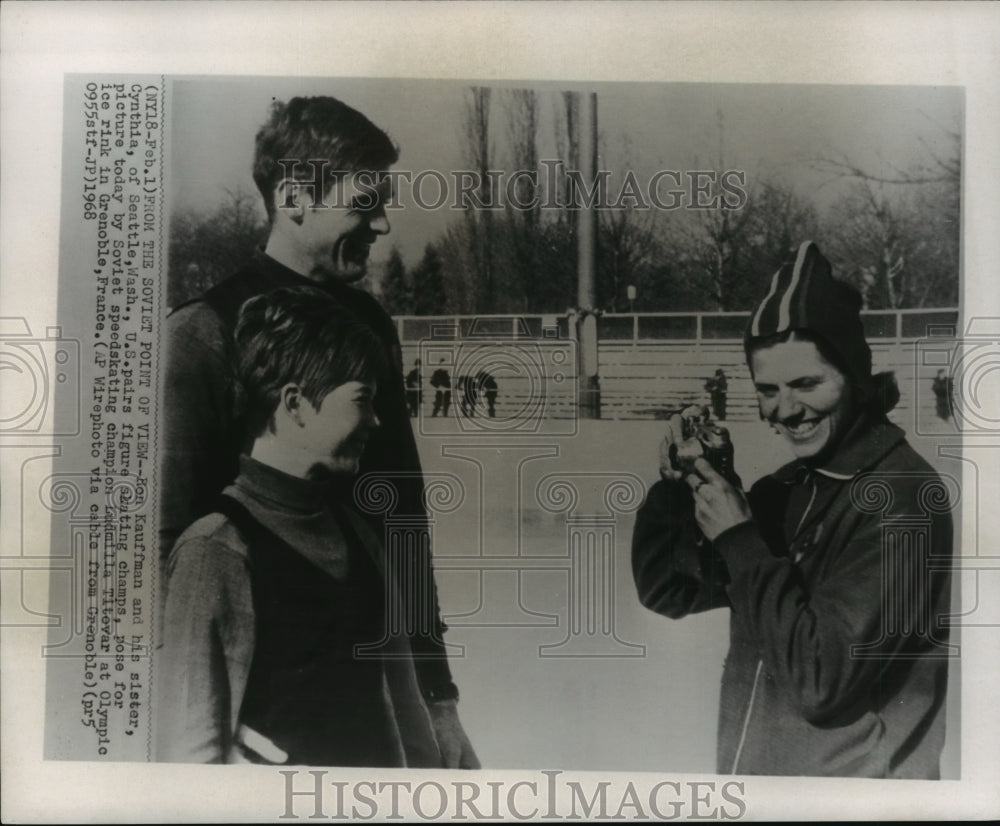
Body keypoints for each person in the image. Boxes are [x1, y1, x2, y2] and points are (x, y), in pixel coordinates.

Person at [159, 96, 478, 768]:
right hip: (270, 719)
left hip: (381, 689)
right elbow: (175, 552)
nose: (383, 222)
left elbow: (403, 519)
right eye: (364, 202)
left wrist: (438, 691)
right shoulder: (202, 334)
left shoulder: (369, 325)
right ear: (296, 196)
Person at [632, 241, 953, 778]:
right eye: (768, 389)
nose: (786, 410)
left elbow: (821, 680)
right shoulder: (786, 489)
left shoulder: (903, 496)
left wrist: (740, 538)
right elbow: (672, 590)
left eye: (807, 383)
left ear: (852, 375)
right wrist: (685, 485)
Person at [157, 288, 440, 766]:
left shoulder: (359, 535)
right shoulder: (215, 551)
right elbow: (190, 756)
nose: (375, 420)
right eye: (362, 400)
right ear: (295, 404)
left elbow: (410, 718)